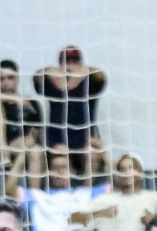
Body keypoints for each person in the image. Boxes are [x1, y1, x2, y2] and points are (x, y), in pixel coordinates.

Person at [17, 146, 106, 231]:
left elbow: (118, 182)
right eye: (55, 168)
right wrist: (22, 155)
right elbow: (10, 189)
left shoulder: (86, 193)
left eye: (64, 167)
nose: (59, 171)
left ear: (72, 171)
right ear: (48, 172)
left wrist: (102, 152)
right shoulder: (37, 196)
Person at [33, 46, 107, 177]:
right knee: (60, 159)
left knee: (92, 154)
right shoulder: (52, 84)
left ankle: (87, 193)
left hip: (84, 142)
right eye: (66, 62)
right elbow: (36, 77)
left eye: (74, 62)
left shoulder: (89, 82)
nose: (70, 66)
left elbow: (102, 76)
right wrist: (52, 70)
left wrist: (84, 71)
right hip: (58, 143)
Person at [0, 59, 44, 192]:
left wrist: (26, 144)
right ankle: (4, 152)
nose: (6, 82)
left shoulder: (31, 103)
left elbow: (36, 133)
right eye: (1, 79)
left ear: (17, 78)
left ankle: (35, 200)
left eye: (10, 78)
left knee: (36, 150)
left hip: (23, 148)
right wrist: (16, 99)